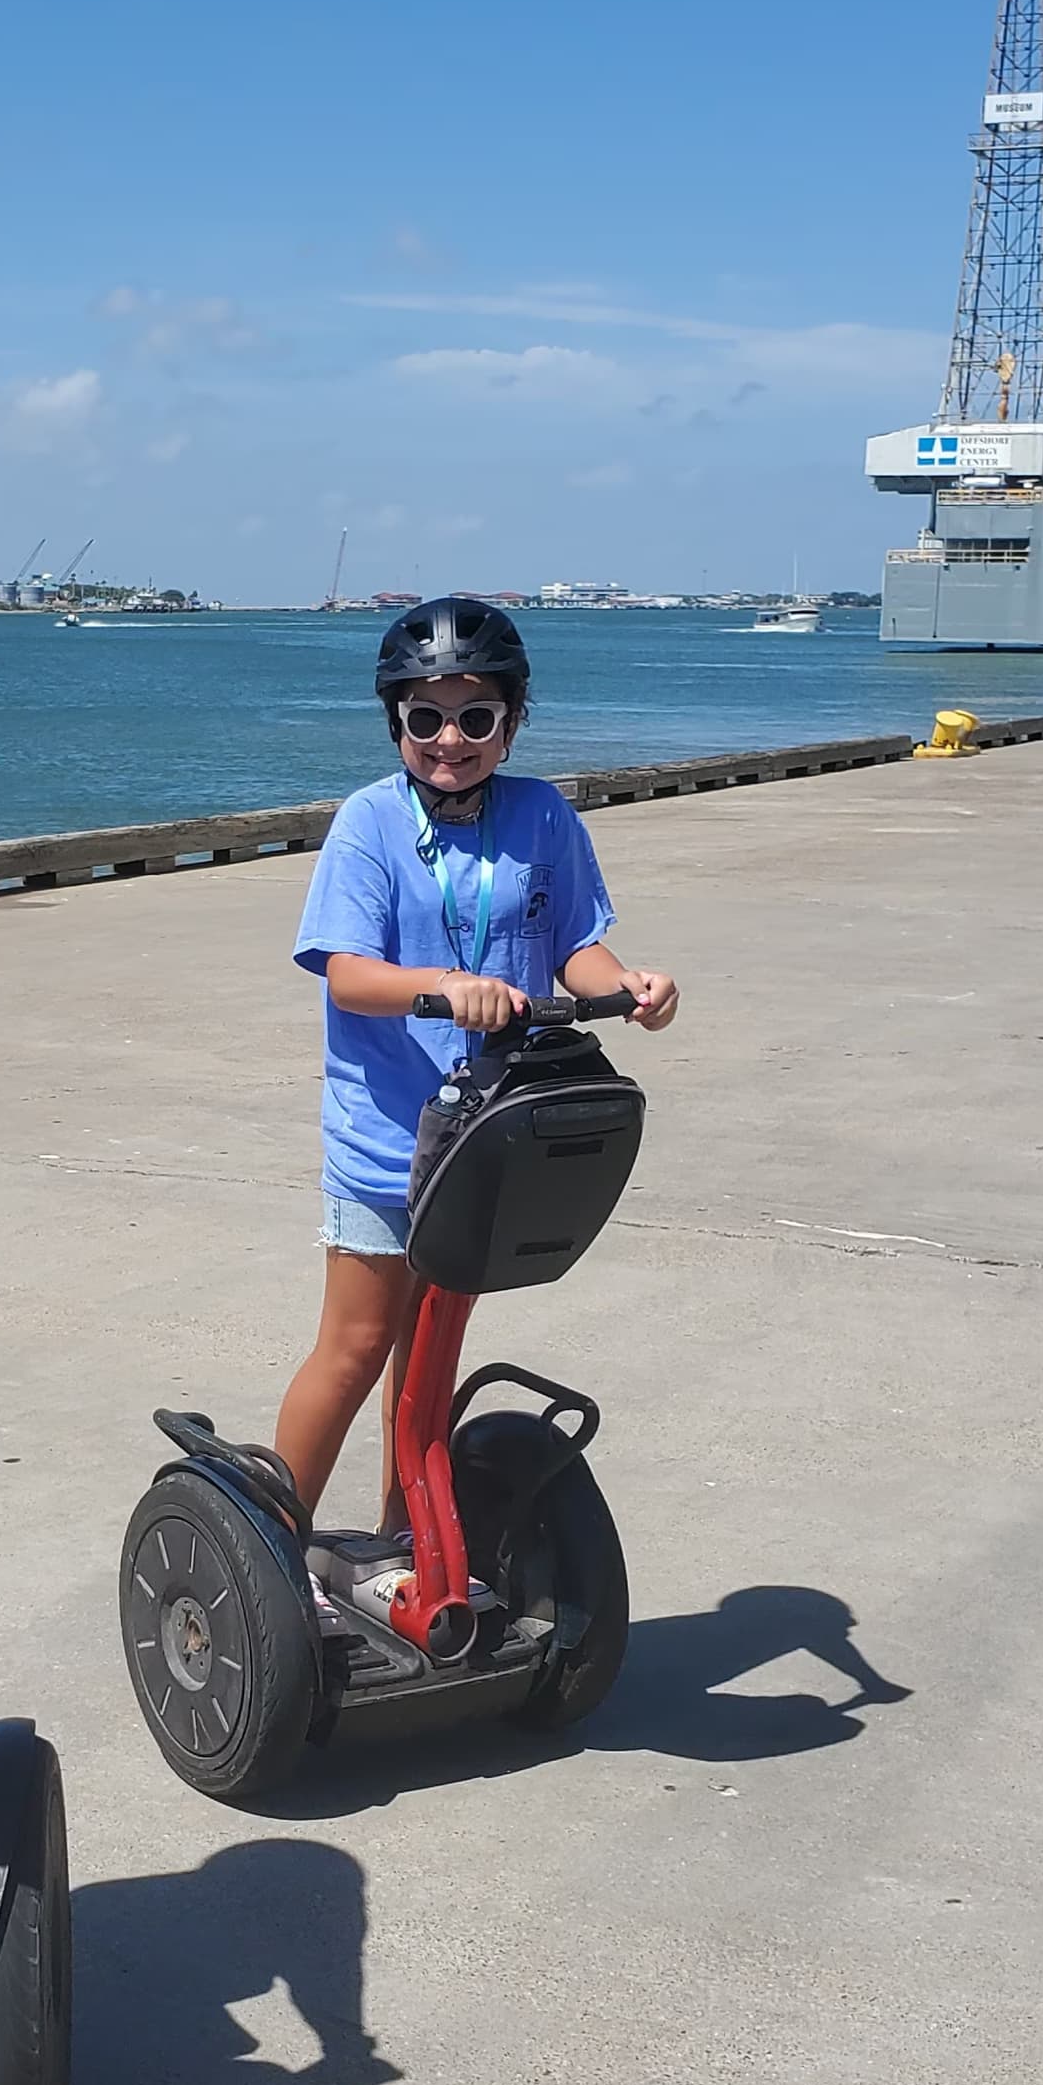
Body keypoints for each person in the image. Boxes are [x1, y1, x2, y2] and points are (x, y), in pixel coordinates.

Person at [276, 596, 679, 1523]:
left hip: (488, 1131)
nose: (448, 740)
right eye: (424, 719)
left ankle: (404, 1542)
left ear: (511, 721)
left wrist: (632, 988)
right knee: (358, 1344)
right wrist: (443, 984)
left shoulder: (543, 817)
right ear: (396, 723)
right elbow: (347, 973)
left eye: (474, 718)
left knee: (428, 1357)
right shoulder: (368, 823)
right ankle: (272, 1548)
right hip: (386, 1133)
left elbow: (575, 943)